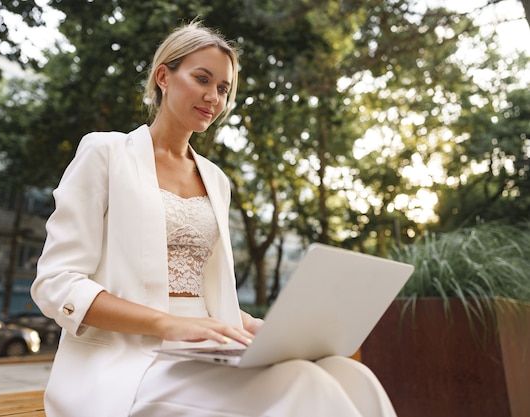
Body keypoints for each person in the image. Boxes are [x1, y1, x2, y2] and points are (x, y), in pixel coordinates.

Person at [31, 21, 398, 417]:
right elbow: (57, 284)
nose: (213, 97)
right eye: (202, 79)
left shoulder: (216, 180)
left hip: (207, 349)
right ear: (163, 77)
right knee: (302, 384)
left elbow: (207, 297)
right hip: (126, 360)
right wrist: (168, 325)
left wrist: (255, 327)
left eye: (223, 88)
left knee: (347, 373)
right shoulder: (105, 153)